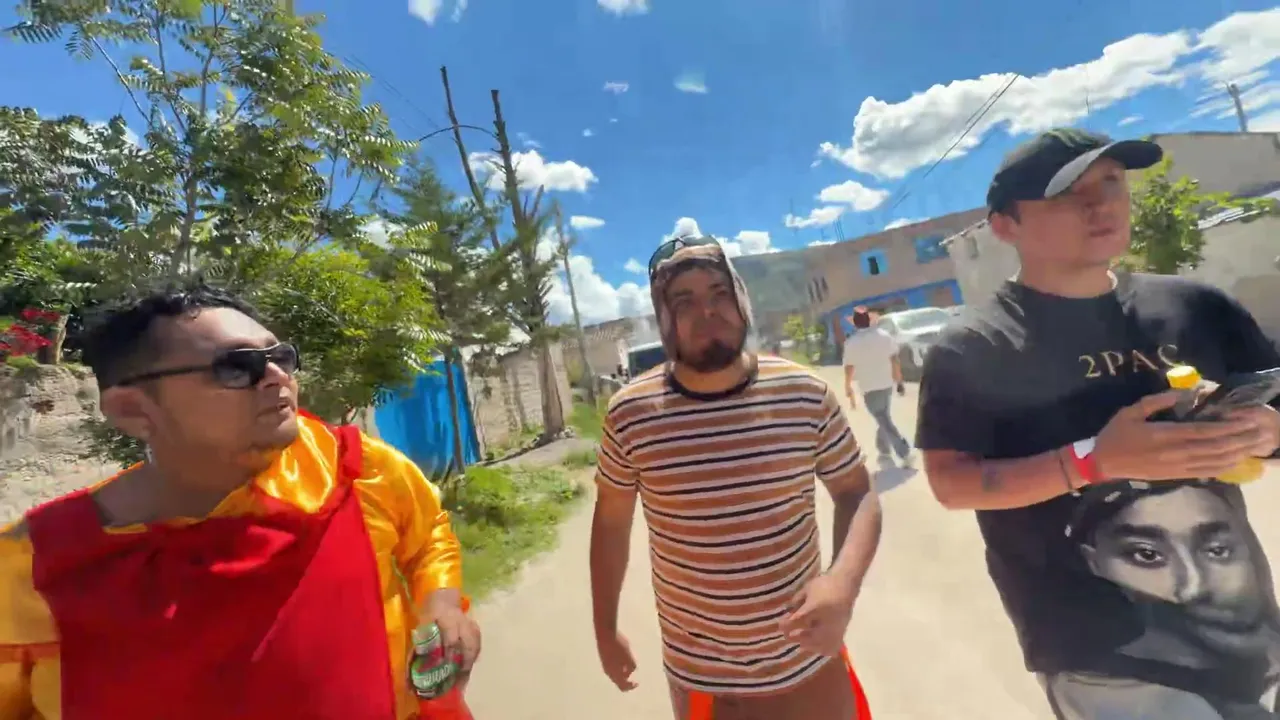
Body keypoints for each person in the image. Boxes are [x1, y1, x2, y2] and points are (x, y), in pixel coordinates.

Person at [915, 127, 1280, 719]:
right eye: (1067, 194)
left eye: (1111, 182)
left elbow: (1272, 409)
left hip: (1245, 621)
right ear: (1005, 226)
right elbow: (951, 484)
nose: (1101, 204)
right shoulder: (976, 346)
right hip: (1101, 655)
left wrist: (1265, 433)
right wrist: (1094, 461)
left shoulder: (1195, 308)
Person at [0, 285, 481, 720]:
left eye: (282, 357)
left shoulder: (351, 468)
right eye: (237, 367)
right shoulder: (31, 566)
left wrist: (441, 604)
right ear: (134, 409)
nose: (277, 377)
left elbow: (427, 535)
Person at [588, 236, 880, 720]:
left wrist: (841, 583)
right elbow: (611, 525)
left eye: (719, 293)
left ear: (741, 299)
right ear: (664, 319)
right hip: (704, 683)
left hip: (809, 667)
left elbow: (857, 492)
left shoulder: (804, 392)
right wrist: (604, 629)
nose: (707, 311)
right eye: (684, 301)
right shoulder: (631, 414)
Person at [1057, 480, 1280, 719]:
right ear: (1094, 562)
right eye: (1147, 555)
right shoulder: (1115, 694)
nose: (1192, 587)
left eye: (1217, 550)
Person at [841, 307, 912, 470]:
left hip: (869, 387)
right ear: (869, 320)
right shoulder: (884, 336)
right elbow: (895, 360)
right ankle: (883, 449)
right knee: (883, 416)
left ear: (855, 324)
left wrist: (848, 386)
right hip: (886, 383)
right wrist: (899, 381)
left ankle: (904, 452)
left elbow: (849, 367)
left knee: (883, 419)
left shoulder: (851, 343)